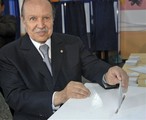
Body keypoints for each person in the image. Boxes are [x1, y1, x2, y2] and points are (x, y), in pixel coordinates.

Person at [0, 0, 129, 120]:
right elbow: (15, 97)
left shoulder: (72, 43)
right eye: (33, 18)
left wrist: (107, 74)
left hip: (76, 114)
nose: (41, 25)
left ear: (53, 19)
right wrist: (60, 96)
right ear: (23, 21)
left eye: (46, 18)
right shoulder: (8, 54)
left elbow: (92, 65)